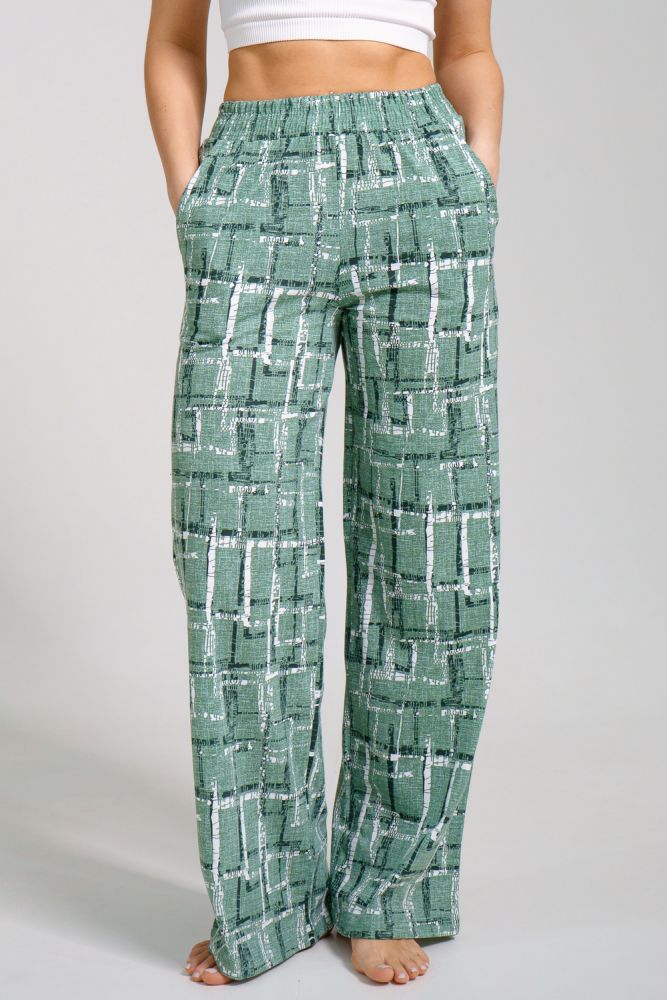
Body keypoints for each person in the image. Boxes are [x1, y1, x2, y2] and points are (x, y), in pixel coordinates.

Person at [144, 0, 503, 986]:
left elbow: (469, 47)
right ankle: (264, 896)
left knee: (430, 552)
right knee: (237, 557)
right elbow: (171, 41)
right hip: (253, 175)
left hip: (422, 179)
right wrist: (193, 197)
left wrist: (476, 178)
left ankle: (391, 889)